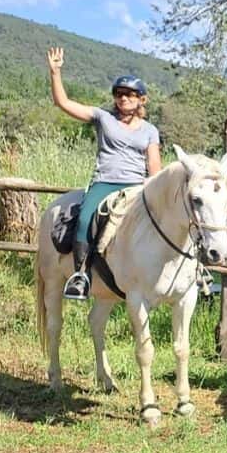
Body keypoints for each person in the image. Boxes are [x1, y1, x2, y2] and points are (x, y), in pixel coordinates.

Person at [47, 46, 161, 300]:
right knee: (85, 219)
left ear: (141, 99)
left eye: (129, 94)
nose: (123, 98)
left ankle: (186, 270)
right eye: (119, 94)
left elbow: (154, 164)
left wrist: (154, 187)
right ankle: (81, 275)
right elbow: (63, 103)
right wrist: (55, 73)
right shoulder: (103, 117)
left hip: (136, 186)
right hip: (106, 182)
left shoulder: (150, 130)